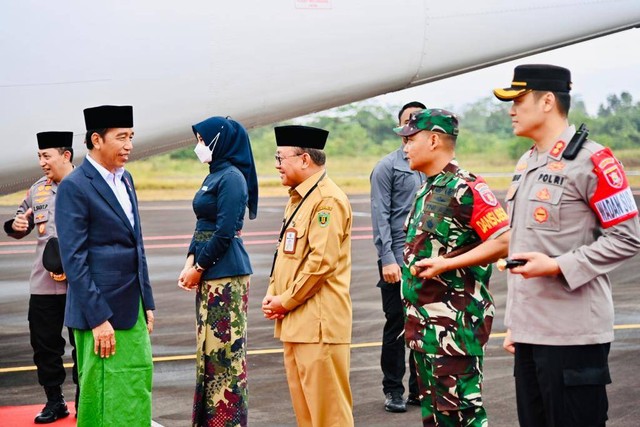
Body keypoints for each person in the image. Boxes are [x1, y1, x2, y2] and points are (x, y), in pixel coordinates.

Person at [493, 64, 640, 427]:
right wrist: (516, 324)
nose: (511, 110)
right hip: (531, 332)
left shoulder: (593, 161)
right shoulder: (528, 161)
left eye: (518, 101)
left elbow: (628, 236)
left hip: (573, 335)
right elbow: (526, 240)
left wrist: (558, 265)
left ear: (546, 101)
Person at [394, 108, 510, 426]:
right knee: (436, 419)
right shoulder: (429, 188)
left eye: (410, 139)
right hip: (426, 331)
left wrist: (448, 263)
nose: (404, 147)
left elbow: (504, 240)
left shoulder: (466, 187)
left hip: (455, 331)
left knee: (463, 418)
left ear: (433, 140)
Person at [56, 105, 156, 427]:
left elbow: (136, 244)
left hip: (132, 307)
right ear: (96, 140)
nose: (129, 145)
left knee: (135, 385)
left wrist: (147, 300)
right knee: (103, 393)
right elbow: (74, 258)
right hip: (100, 313)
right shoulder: (76, 186)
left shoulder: (126, 180)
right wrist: (98, 318)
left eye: (132, 137)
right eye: (121, 137)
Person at [261, 125, 354, 427]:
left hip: (319, 325)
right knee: (308, 415)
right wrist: (273, 292)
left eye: (280, 158)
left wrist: (284, 301)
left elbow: (320, 264)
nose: (277, 165)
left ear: (304, 160)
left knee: (329, 417)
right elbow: (286, 254)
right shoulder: (299, 198)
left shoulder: (327, 201)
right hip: (296, 323)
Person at [178, 116, 258, 427]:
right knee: (209, 353)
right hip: (210, 272)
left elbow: (225, 232)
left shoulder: (232, 178)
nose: (198, 146)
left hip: (225, 274)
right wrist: (189, 260)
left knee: (225, 355)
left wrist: (199, 266)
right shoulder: (214, 175)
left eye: (202, 139)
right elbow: (203, 225)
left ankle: (228, 421)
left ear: (219, 140)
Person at [3, 131, 78, 423]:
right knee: (44, 344)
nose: (42, 162)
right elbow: (19, 223)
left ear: (65, 155)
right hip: (44, 282)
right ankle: (54, 400)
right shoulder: (38, 190)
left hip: (77, 282)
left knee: (79, 342)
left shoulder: (86, 185)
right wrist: (17, 224)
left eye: (46, 156)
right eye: (39, 156)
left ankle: (84, 395)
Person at [370, 101, 425, 412]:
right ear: (400, 127)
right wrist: (388, 259)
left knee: (424, 323)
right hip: (396, 258)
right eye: (408, 120)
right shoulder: (387, 167)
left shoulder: (433, 166)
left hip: (426, 259)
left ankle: (420, 389)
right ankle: (393, 390)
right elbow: (381, 217)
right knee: (397, 325)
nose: (412, 125)